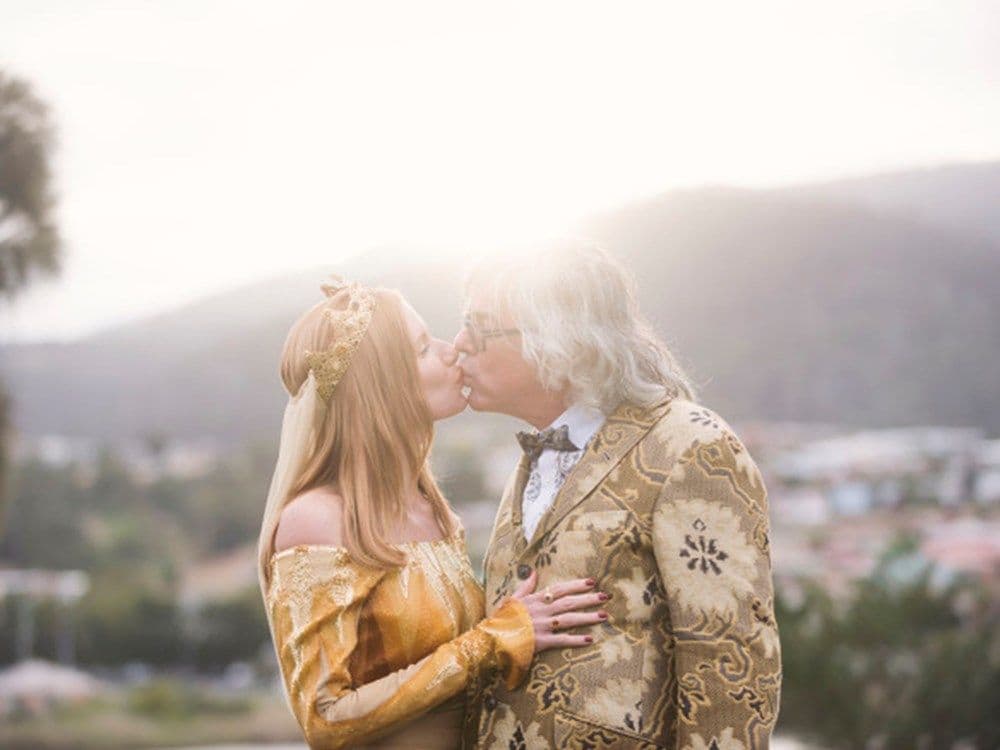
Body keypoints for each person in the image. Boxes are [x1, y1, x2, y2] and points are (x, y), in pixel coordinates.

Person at [455, 239, 782, 749]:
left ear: (557, 338)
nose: (458, 345)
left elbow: (731, 665)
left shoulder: (691, 446)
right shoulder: (531, 458)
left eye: (478, 327)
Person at [257, 277, 607, 749]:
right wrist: (493, 640)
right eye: (423, 348)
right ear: (378, 387)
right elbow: (325, 717)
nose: (451, 351)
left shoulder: (432, 510)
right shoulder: (316, 521)